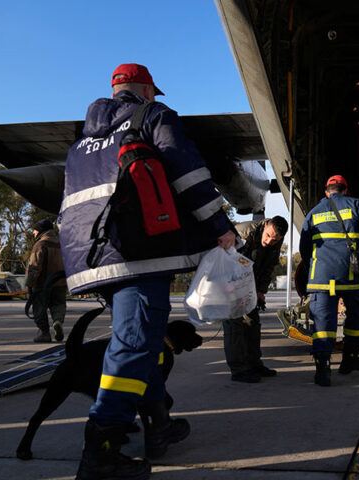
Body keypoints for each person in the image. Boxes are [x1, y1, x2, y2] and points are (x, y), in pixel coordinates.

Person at [58, 63, 239, 480]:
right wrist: (220, 228)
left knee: (147, 340)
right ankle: (102, 447)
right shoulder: (153, 117)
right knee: (135, 344)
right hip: (137, 250)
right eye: (153, 91)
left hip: (92, 255)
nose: (156, 97)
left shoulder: (83, 140)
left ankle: (159, 424)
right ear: (143, 89)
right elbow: (190, 176)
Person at [299, 175, 359, 386]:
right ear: (346, 190)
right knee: (358, 313)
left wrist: (314, 265)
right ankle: (349, 358)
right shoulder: (357, 204)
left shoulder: (313, 212)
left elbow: (304, 248)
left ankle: (322, 368)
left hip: (321, 277)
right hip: (351, 274)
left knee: (323, 321)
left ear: (326, 192)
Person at [223, 216, 288, 383]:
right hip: (229, 283)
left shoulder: (276, 238)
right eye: (267, 236)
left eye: (274, 240)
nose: (269, 242)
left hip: (249, 286)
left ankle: (254, 364)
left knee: (252, 324)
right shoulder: (243, 232)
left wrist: (260, 291)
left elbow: (268, 266)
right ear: (266, 225)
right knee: (234, 326)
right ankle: (238, 370)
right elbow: (229, 261)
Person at [26, 218, 67, 343]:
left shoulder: (40, 244)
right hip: (60, 282)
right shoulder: (61, 244)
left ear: (41, 231)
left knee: (39, 308)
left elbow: (34, 266)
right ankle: (58, 321)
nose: (33, 233)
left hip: (42, 284)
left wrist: (30, 283)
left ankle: (44, 333)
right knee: (58, 304)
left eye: (35, 230)